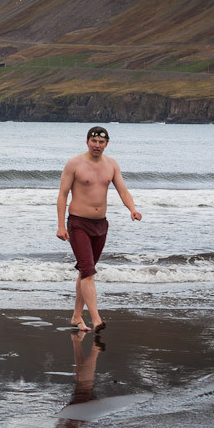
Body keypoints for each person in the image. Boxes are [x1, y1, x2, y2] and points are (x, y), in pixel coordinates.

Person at [56, 126, 141, 332]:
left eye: (101, 142)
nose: (97, 145)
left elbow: (122, 190)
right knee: (88, 272)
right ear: (87, 142)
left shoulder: (111, 165)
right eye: (94, 141)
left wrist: (132, 209)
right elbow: (62, 194)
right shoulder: (74, 163)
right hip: (78, 224)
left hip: (101, 225)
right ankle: (96, 319)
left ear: (106, 144)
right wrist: (60, 225)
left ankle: (76, 317)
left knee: (85, 272)